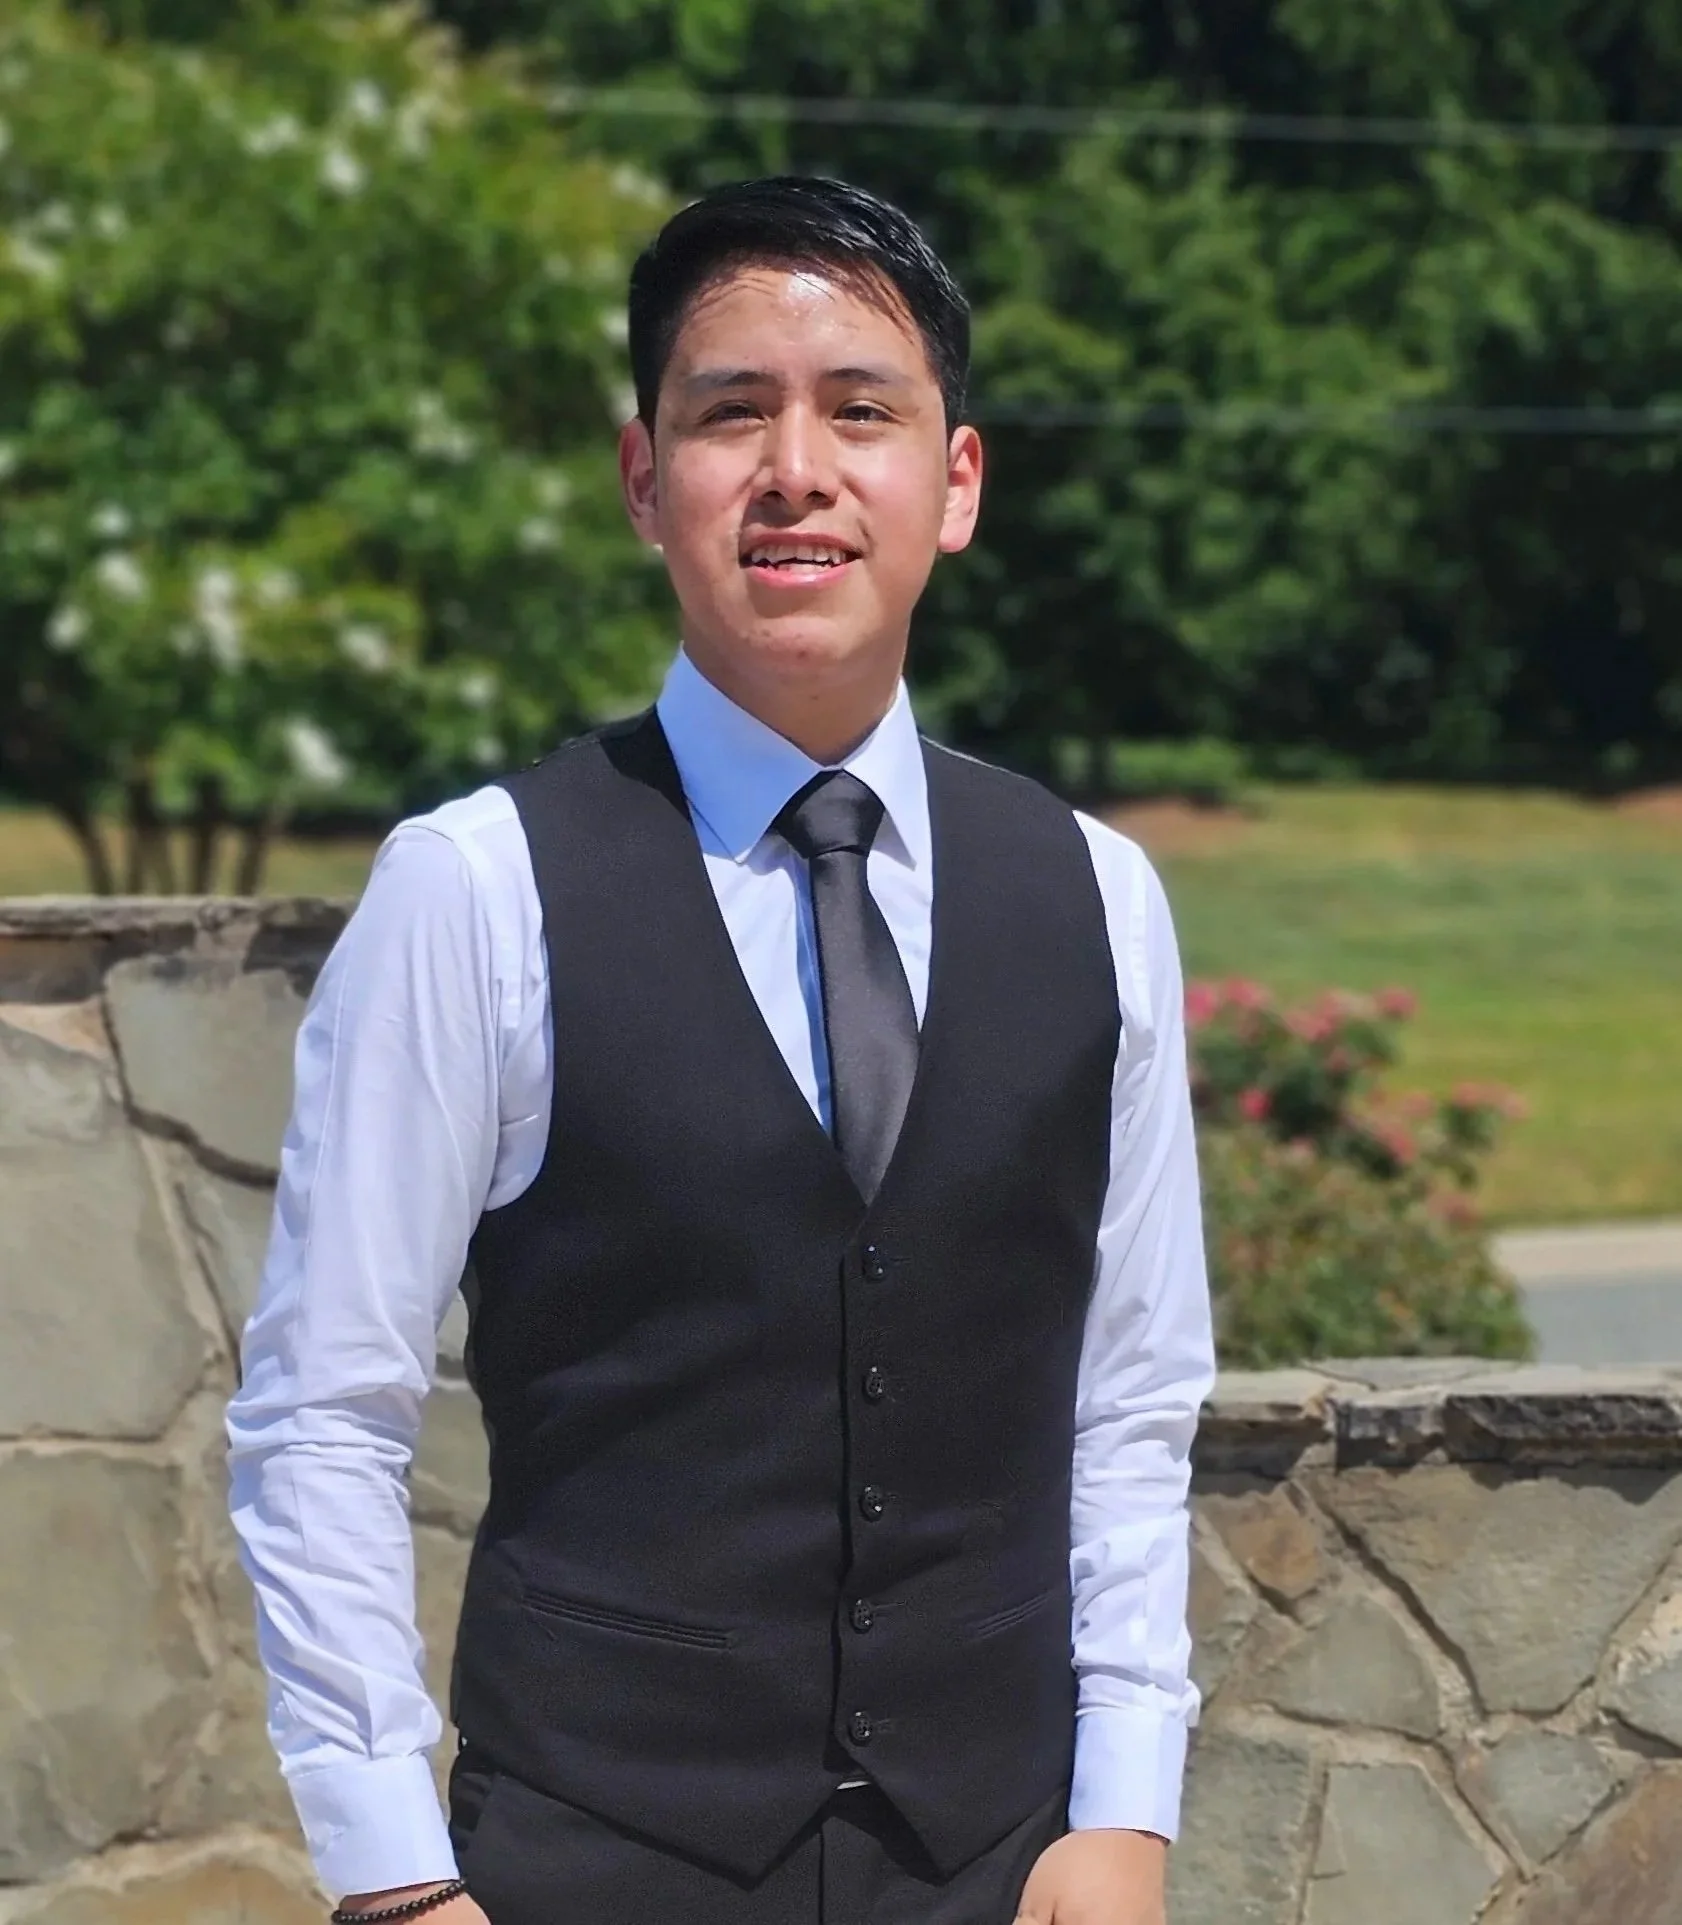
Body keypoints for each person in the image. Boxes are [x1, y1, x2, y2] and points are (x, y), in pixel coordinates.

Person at [228, 175, 1215, 1925]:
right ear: (643, 478)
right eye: (730, 412)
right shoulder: (474, 889)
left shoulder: (1097, 895)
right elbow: (324, 1414)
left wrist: (1124, 1808)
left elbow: (1127, 1400)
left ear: (955, 483)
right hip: (587, 1864)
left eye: (860, 411)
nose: (795, 470)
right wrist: (392, 1882)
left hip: (1001, 1869)